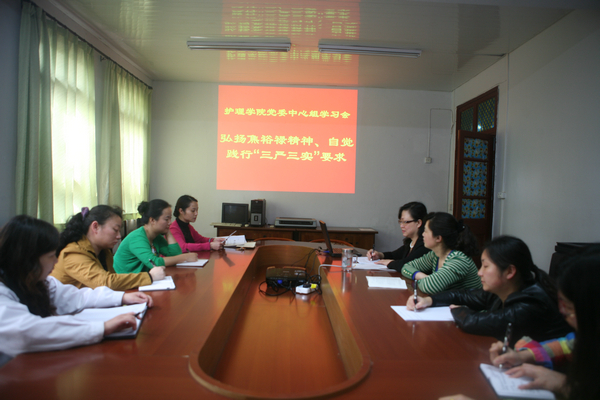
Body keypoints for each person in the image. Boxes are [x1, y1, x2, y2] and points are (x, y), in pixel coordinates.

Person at [0, 215, 152, 357]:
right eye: (51, 256)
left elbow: (77, 297)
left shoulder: (38, 282)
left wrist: (122, 297)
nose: (55, 262)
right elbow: (25, 332)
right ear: (28, 259)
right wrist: (101, 328)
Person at [408, 235, 572, 344]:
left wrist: (459, 311)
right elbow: (464, 294)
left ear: (509, 271)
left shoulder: (530, 303)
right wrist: (429, 300)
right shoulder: (504, 289)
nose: (480, 272)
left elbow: (474, 322)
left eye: (486, 266)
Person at [488, 244, 600, 400]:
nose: (562, 312)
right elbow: (568, 345)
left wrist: (563, 383)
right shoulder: (588, 337)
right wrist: (523, 357)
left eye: (568, 307)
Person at [51, 205, 165, 290]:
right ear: (95, 227)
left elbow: (113, 279)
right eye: (115, 230)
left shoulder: (104, 251)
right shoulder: (73, 252)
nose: (119, 236)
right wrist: (149, 277)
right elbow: (105, 283)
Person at [400, 212, 481, 294]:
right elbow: (406, 267)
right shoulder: (435, 255)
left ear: (438, 238)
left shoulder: (458, 259)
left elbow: (429, 286)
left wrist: (422, 280)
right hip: (448, 305)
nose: (422, 234)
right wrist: (423, 276)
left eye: (426, 231)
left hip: (469, 306)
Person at [114, 199, 198, 274]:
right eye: (166, 219)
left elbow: (175, 254)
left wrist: (168, 232)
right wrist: (185, 257)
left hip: (141, 279)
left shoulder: (156, 237)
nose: (170, 222)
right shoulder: (137, 237)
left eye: (170, 219)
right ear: (152, 220)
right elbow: (154, 262)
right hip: (123, 284)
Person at [366, 201, 431, 272]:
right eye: (400, 222)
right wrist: (379, 255)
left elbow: (407, 264)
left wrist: (390, 263)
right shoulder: (410, 242)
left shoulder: (425, 244)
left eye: (405, 222)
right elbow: (394, 255)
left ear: (418, 223)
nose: (401, 226)